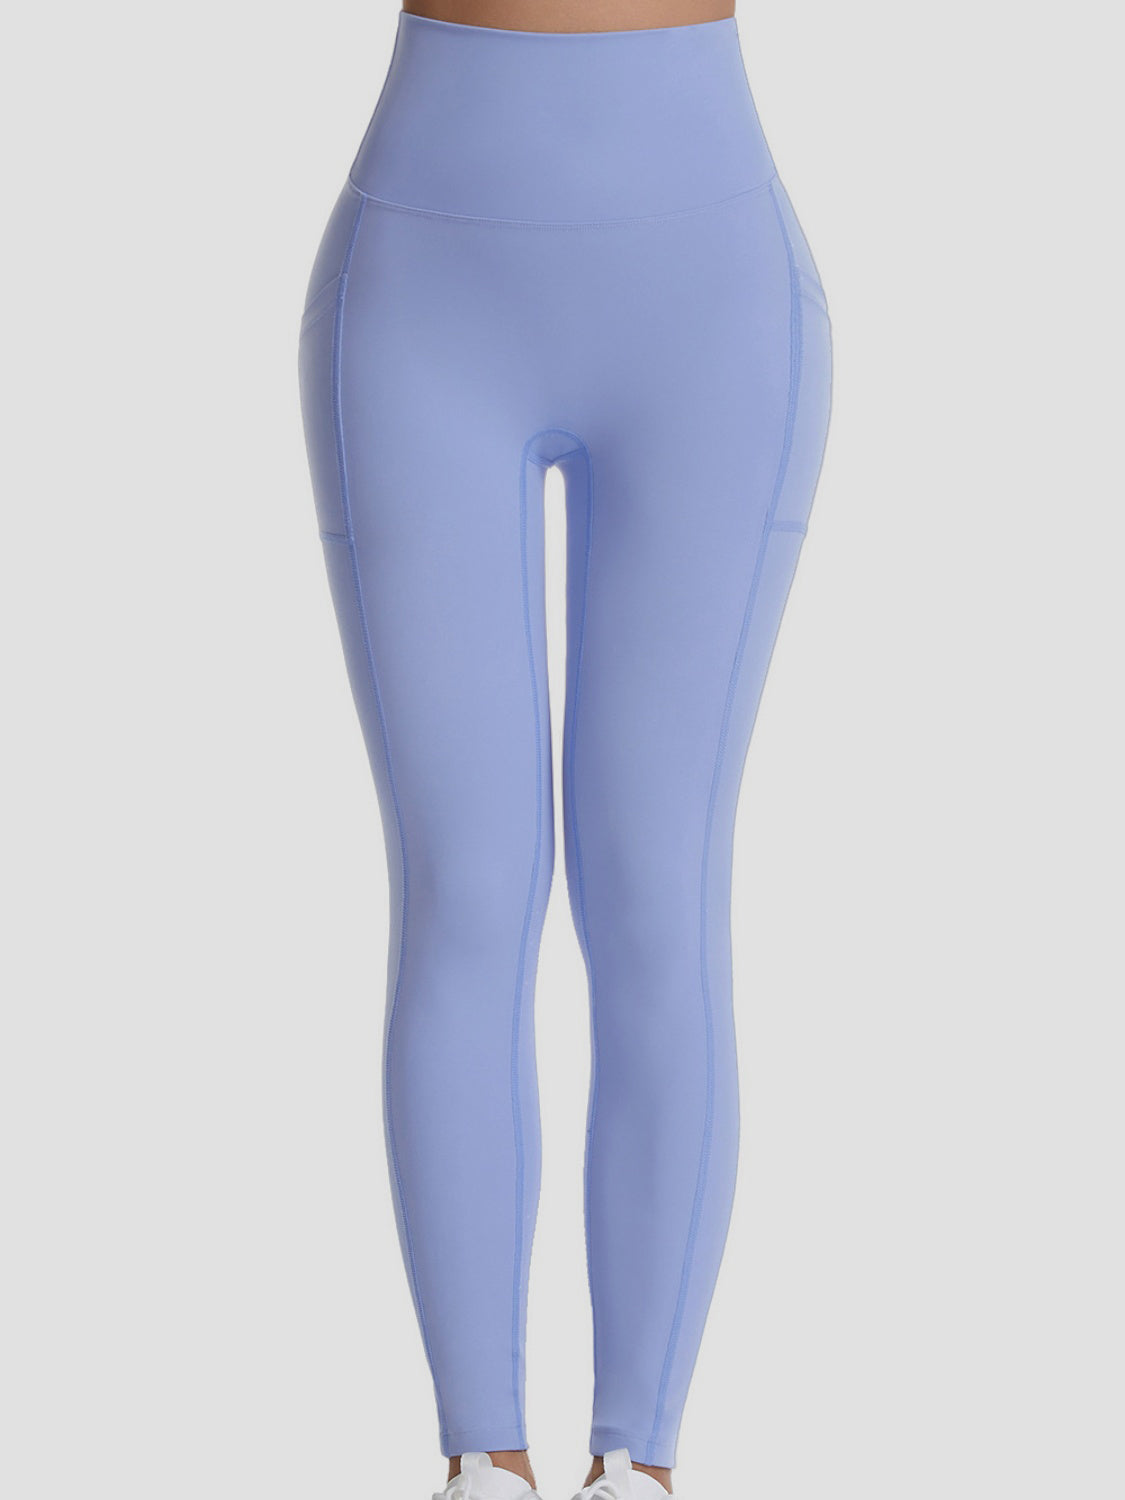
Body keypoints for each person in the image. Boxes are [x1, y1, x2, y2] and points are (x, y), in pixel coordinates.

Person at [297, 0, 832, 1495]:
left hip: (707, 293)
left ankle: (640, 1463)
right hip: (425, 288)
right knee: (465, 889)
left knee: (657, 889)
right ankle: (481, 1458)